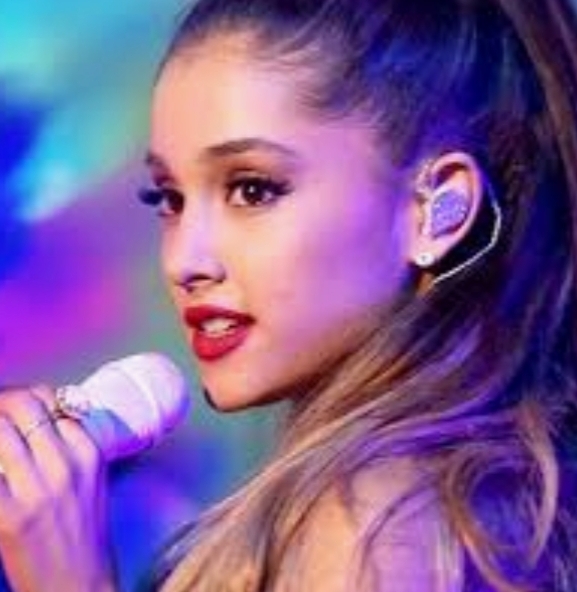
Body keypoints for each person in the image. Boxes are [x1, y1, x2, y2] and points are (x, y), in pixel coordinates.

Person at [1, 0, 577, 590]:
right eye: (169, 199)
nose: (183, 263)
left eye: (252, 189)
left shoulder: (375, 529)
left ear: (437, 209)